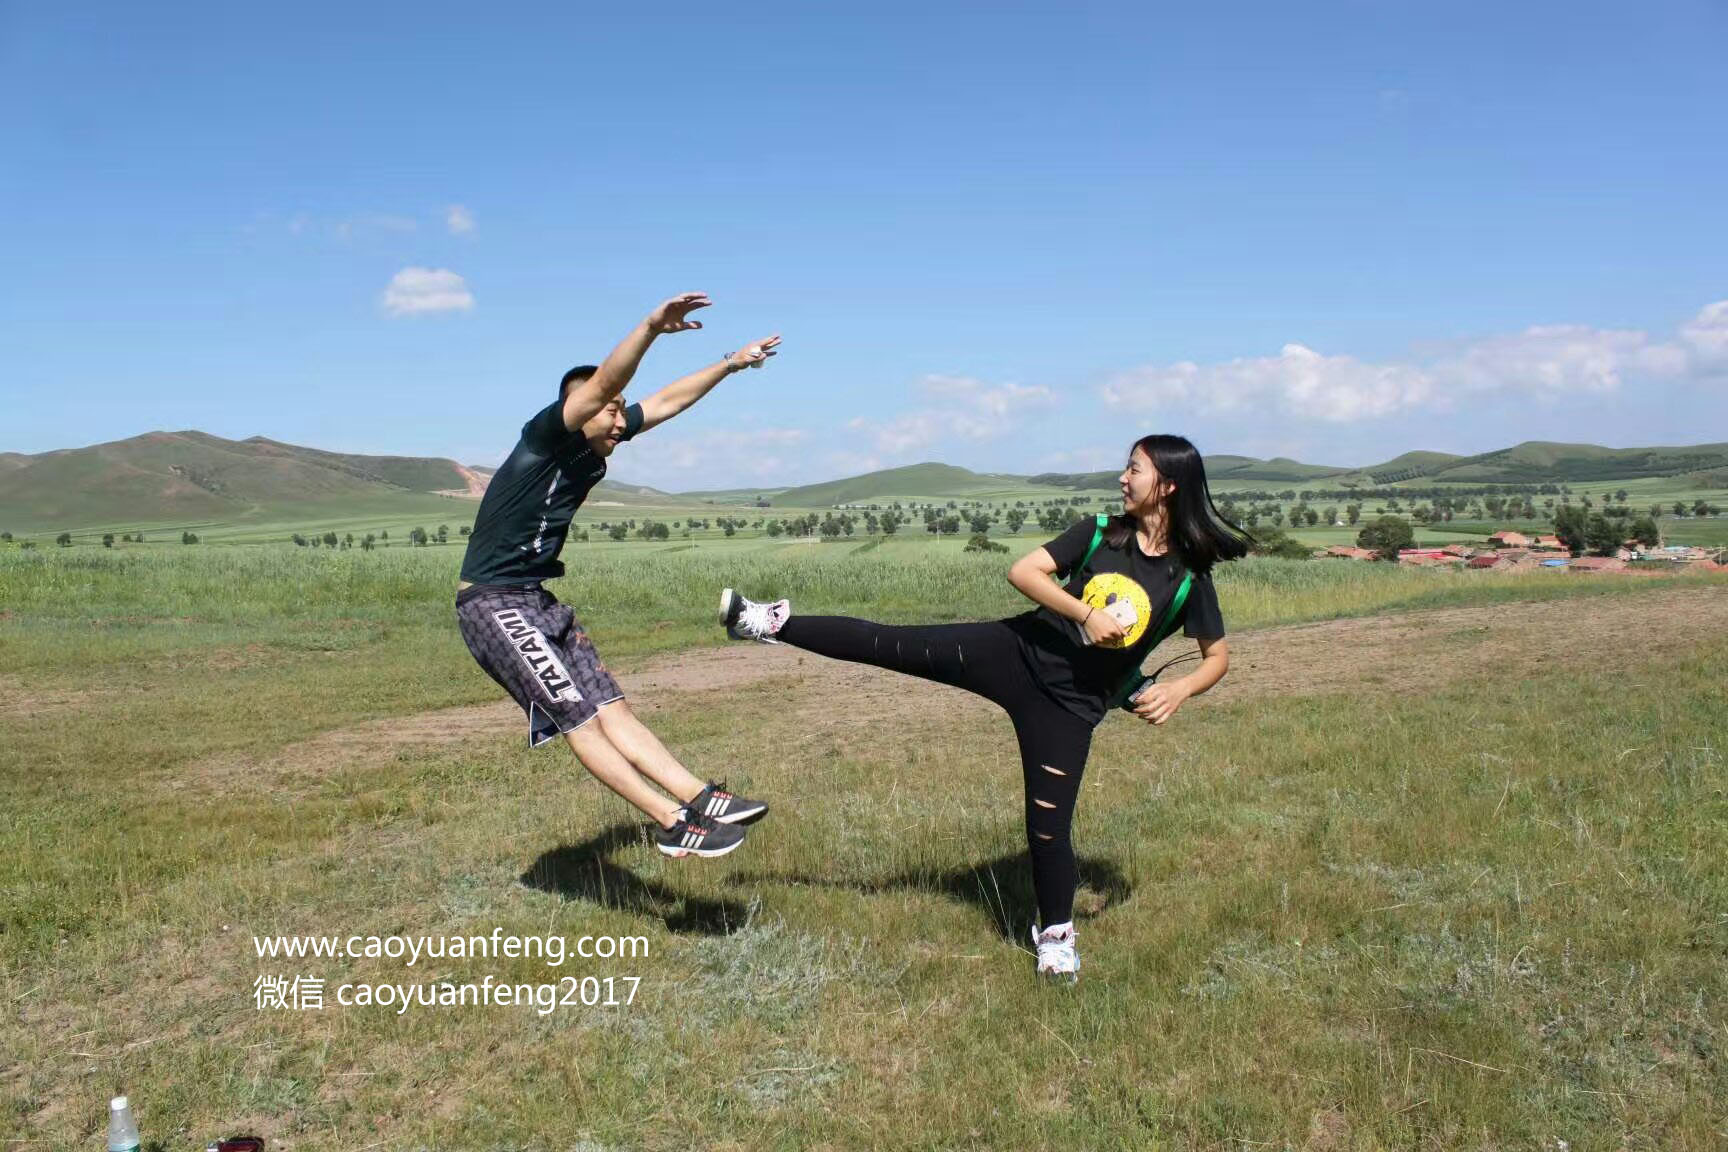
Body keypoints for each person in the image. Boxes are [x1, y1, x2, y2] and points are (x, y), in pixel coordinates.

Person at [720, 435, 1249, 978]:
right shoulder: (1097, 533)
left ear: (1166, 485)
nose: (1122, 478)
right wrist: (1084, 614)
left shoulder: (1188, 578)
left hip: (1067, 709)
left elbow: (1217, 658)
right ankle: (769, 622)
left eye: (1133, 469)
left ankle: (1056, 934)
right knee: (893, 644)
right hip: (1012, 653)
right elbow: (1023, 573)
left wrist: (1180, 689)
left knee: (1047, 828)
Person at [457, 292, 781, 858]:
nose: (620, 416)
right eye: (609, 408)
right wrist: (653, 325)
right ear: (578, 408)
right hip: (493, 603)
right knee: (580, 719)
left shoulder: (595, 442)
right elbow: (605, 385)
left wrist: (732, 363)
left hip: (536, 600)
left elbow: (665, 403)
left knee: (613, 708)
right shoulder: (543, 438)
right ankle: (673, 822)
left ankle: (702, 798)